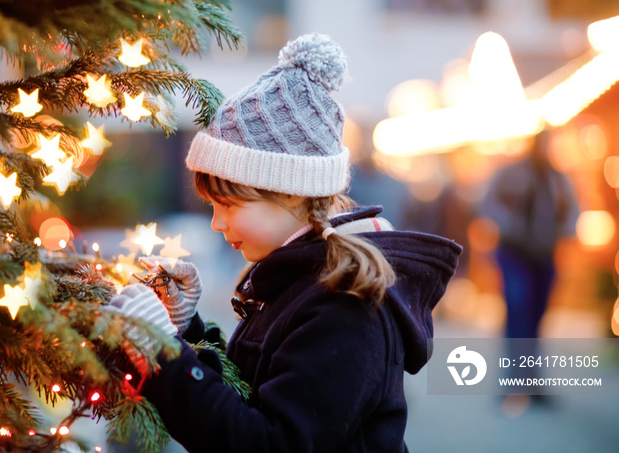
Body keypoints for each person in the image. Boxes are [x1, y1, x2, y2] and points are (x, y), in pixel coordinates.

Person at [107, 34, 462, 453]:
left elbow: (264, 440)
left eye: (229, 203)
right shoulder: (298, 276)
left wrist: (164, 353)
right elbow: (255, 387)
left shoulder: (345, 308)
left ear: (291, 191)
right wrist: (188, 330)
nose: (218, 223)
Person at [482, 130, 579, 341]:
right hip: (514, 252)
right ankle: (516, 362)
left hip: (545, 255)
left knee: (538, 312)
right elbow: (488, 204)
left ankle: (529, 363)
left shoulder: (558, 179)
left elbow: (573, 211)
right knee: (518, 306)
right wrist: (508, 225)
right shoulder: (511, 174)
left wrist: (566, 230)